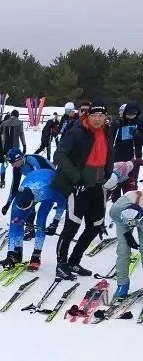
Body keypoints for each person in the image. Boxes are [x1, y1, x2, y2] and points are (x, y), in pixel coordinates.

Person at [52, 102, 114, 279]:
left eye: (101, 116)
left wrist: (108, 174)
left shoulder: (106, 132)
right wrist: (75, 178)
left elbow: (108, 154)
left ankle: (74, 261)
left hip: (97, 185)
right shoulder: (76, 132)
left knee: (95, 225)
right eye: (94, 115)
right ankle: (61, 264)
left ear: (105, 117)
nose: (97, 119)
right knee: (72, 225)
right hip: (78, 185)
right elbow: (59, 155)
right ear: (88, 116)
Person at [0, 149, 66, 270]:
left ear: (21, 158)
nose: (13, 165)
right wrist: (8, 204)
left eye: (14, 162)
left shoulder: (32, 163)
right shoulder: (18, 171)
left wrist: (55, 223)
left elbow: (62, 203)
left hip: (50, 185)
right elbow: (15, 186)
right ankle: (14, 253)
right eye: (11, 163)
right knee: (15, 220)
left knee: (40, 220)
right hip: (30, 186)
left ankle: (36, 256)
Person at [108, 192, 143, 301]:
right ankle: (122, 285)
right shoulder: (115, 210)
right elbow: (121, 222)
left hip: (140, 217)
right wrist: (127, 235)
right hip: (122, 217)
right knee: (123, 251)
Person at [106, 101, 143, 201]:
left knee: (131, 184)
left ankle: (131, 203)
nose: (131, 116)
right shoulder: (118, 123)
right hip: (118, 157)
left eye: (133, 114)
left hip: (133, 158)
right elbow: (110, 139)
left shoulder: (140, 124)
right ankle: (115, 200)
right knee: (116, 182)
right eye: (129, 114)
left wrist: (137, 134)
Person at [0, 110, 26, 186]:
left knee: (4, 163)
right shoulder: (19, 122)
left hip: (5, 146)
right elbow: (21, 134)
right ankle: (16, 181)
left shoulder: (4, 122)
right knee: (16, 163)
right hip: (15, 147)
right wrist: (24, 145)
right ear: (17, 115)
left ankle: (2, 180)